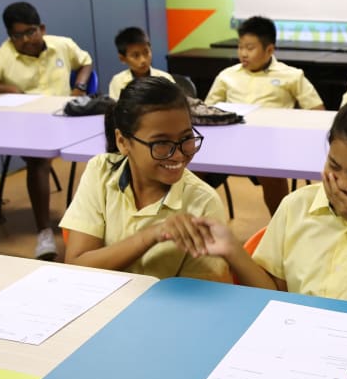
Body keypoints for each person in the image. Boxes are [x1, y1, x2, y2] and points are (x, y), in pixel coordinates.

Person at [192, 94, 347, 308]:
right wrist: (232, 249)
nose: (341, 183)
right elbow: (273, 294)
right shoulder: (296, 205)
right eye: (334, 166)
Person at [60, 77, 230, 282]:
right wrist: (150, 235)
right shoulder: (101, 170)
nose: (178, 155)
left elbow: (199, 295)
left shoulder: (203, 203)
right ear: (123, 142)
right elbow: (77, 266)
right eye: (161, 143)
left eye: (186, 138)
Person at [0, 1, 93, 260]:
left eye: (30, 32)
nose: (25, 39)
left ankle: (92, 222)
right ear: (9, 36)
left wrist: (79, 87)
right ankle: (44, 232)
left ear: (42, 29)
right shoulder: (2, 56)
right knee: (38, 159)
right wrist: (7, 89)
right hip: (25, 126)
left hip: (65, 119)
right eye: (17, 35)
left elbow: (86, 62)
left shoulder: (62, 45)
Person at [204, 15, 324, 215]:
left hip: (273, 146)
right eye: (240, 47)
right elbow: (207, 110)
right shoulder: (227, 76)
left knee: (271, 173)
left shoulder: (292, 75)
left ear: (269, 50)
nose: (243, 53)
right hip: (230, 144)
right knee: (192, 171)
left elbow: (317, 111)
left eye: (250, 48)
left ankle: (281, 223)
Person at [108, 26, 174, 100]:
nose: (143, 60)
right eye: (135, 55)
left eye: (146, 52)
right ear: (122, 58)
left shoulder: (165, 78)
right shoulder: (118, 81)